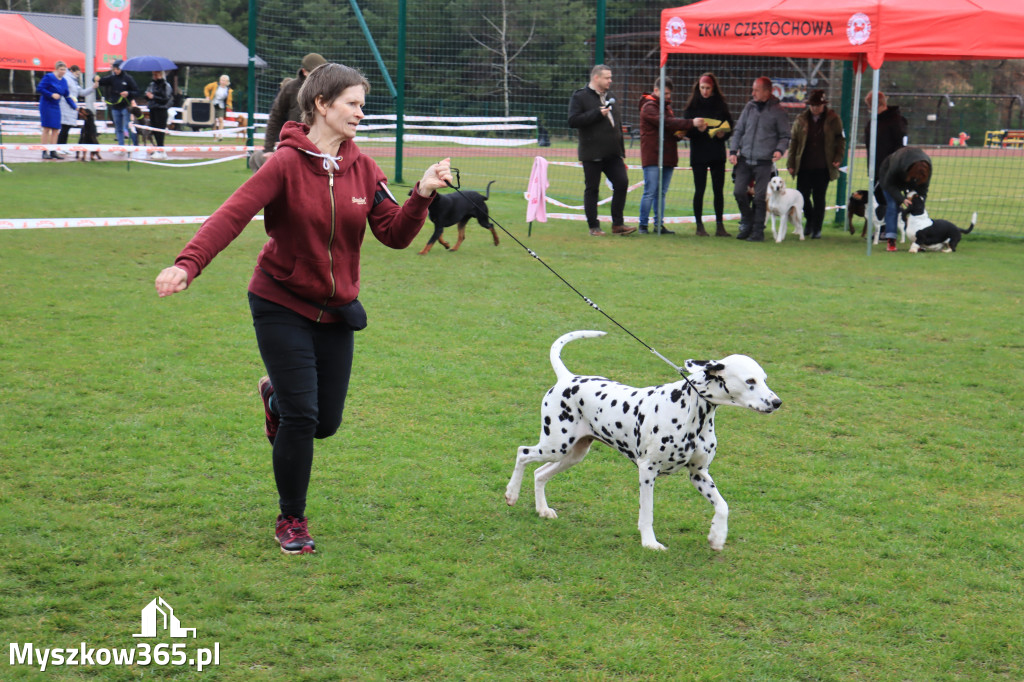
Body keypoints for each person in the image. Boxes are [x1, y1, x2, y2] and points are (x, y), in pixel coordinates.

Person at [154, 63, 453, 555]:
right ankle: (291, 518)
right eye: (353, 103)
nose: (361, 111)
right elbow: (231, 215)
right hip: (280, 302)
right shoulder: (285, 163)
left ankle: (274, 396)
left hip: (337, 310)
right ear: (321, 104)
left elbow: (395, 236)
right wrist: (187, 264)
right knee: (301, 417)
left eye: (362, 103)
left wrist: (421, 194)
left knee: (325, 423)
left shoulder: (364, 167)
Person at [568, 65, 635, 237]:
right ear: (596, 78)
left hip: (613, 153)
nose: (610, 80)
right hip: (592, 152)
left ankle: (618, 224)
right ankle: (594, 226)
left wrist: (621, 150)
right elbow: (573, 120)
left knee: (622, 182)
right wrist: (597, 114)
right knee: (592, 189)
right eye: (607, 77)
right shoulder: (580, 96)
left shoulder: (611, 96)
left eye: (610, 77)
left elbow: (616, 124)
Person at [637, 77, 704, 235]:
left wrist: (678, 135)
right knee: (650, 191)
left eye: (669, 94)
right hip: (653, 155)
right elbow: (665, 123)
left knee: (661, 192)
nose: (668, 97)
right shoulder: (648, 108)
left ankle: (658, 224)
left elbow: (669, 128)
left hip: (667, 155)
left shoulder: (667, 108)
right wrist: (691, 123)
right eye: (665, 93)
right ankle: (643, 225)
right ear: (656, 91)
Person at [728, 77, 791, 242]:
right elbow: (739, 129)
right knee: (738, 191)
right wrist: (733, 150)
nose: (752, 93)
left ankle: (757, 231)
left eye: (756, 90)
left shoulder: (779, 111)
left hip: (764, 161)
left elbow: (785, 136)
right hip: (744, 159)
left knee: (760, 197)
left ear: (767, 91)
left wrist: (779, 150)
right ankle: (748, 221)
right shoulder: (749, 107)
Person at [786, 89, 845, 239]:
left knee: (819, 197)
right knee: (802, 196)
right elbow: (794, 142)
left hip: (823, 165)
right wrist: (791, 162)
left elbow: (840, 139)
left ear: (824, 105)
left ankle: (817, 228)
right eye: (812, 105)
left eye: (818, 105)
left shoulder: (833, 119)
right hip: (804, 165)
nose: (815, 108)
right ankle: (810, 220)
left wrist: (838, 156)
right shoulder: (801, 119)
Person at [253, 53, 328, 171]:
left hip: (322, 147)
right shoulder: (291, 88)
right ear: (304, 71)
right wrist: (268, 149)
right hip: (294, 145)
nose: (318, 76)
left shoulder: (330, 90)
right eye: (314, 73)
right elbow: (275, 117)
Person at [683, 72, 734, 237]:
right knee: (700, 190)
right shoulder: (692, 106)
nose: (704, 91)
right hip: (699, 154)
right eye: (702, 88)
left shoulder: (721, 105)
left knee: (718, 190)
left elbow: (729, 126)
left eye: (707, 88)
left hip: (717, 153)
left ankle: (720, 225)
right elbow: (686, 129)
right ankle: (699, 226)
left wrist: (723, 134)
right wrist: (698, 130)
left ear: (713, 89)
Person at [864, 91, 909, 251]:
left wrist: (897, 165)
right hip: (876, 168)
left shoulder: (896, 121)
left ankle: (890, 234)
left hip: (892, 167)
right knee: (881, 198)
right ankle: (886, 228)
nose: (869, 110)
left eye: (870, 107)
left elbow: (901, 145)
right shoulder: (872, 123)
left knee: (890, 199)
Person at [36, 61, 78, 160]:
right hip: (46, 105)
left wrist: (74, 106)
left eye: (65, 70)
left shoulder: (64, 81)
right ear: (56, 69)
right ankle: (44, 151)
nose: (63, 72)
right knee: (46, 128)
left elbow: (67, 95)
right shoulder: (49, 77)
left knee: (56, 129)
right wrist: (51, 94)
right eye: (61, 69)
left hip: (56, 106)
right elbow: (40, 88)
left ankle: (53, 151)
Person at [98, 60, 139, 149]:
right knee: (118, 128)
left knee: (127, 127)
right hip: (115, 107)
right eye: (114, 69)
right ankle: (121, 147)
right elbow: (101, 81)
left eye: (117, 69)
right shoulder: (112, 78)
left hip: (126, 107)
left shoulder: (128, 78)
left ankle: (136, 145)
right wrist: (95, 78)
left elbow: (136, 92)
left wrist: (128, 93)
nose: (115, 71)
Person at [57, 65, 93, 156]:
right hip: (65, 106)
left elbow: (82, 93)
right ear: (72, 71)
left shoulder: (74, 81)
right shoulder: (67, 79)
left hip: (71, 106)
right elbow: (66, 94)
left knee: (67, 127)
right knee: (64, 127)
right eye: (77, 74)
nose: (77, 75)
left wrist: (93, 88)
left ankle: (63, 147)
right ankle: (59, 147)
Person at [144, 70, 174, 158]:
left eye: (156, 74)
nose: (154, 76)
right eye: (153, 74)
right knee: (154, 130)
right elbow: (147, 96)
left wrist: (154, 97)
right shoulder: (151, 85)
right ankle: (159, 149)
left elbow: (165, 99)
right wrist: (147, 96)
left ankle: (161, 150)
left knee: (160, 131)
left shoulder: (166, 85)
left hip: (161, 110)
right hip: (152, 109)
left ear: (161, 75)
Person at [204, 75, 233, 140]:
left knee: (221, 120)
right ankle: (214, 137)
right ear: (220, 80)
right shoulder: (215, 85)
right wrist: (207, 96)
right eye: (222, 80)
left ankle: (220, 134)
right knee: (213, 121)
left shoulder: (229, 90)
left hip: (221, 105)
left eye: (225, 81)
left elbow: (229, 99)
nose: (223, 82)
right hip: (213, 104)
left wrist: (229, 106)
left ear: (227, 82)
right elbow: (206, 88)